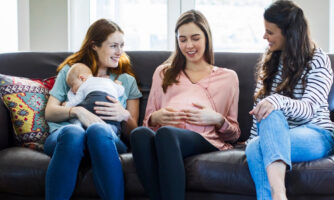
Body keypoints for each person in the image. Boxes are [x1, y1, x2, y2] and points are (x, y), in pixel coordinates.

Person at [130, 10, 240, 200]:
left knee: (166, 133)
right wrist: (156, 117)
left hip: (204, 140)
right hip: (164, 138)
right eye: (182, 39)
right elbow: (147, 122)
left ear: (207, 38)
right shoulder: (163, 73)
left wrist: (217, 119)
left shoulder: (228, 77)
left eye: (195, 38)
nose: (189, 45)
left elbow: (234, 134)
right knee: (139, 135)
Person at [245, 1, 334, 200]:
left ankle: (278, 195)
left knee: (263, 134)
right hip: (275, 132)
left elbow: (309, 109)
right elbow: (259, 109)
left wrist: (277, 100)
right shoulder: (271, 62)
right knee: (254, 143)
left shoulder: (317, 59)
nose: (264, 37)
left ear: (289, 33)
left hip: (316, 133)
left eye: (270, 32)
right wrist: (253, 136)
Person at [44, 18, 142, 200]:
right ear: (94, 45)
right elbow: (50, 112)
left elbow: (133, 133)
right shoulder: (72, 72)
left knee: (98, 129)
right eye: (113, 46)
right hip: (65, 137)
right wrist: (77, 111)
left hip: (107, 139)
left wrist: (124, 115)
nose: (119, 52)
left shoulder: (126, 80)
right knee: (73, 131)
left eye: (122, 45)